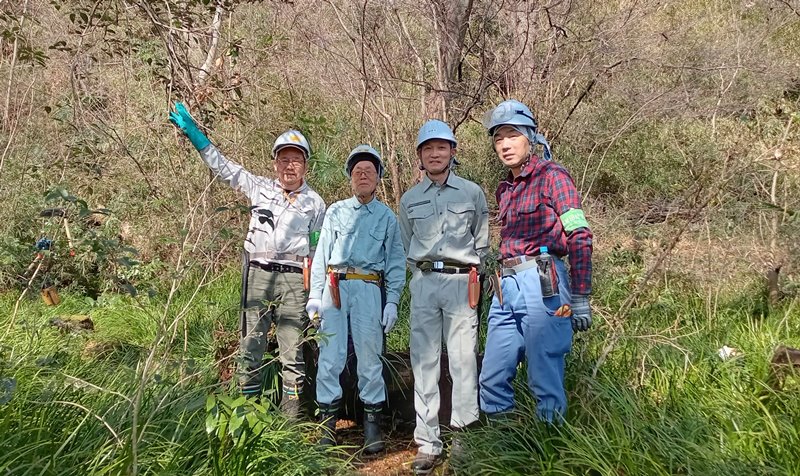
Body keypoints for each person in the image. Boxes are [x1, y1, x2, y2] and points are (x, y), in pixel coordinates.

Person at [169, 103, 325, 418]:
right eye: (283, 159)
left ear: (306, 165)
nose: (289, 166)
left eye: (296, 159)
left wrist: (316, 294)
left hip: (295, 280)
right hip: (257, 274)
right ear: (275, 162)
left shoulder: (316, 203)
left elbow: (316, 250)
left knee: (292, 353)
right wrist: (197, 137)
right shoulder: (259, 187)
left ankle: (290, 422)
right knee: (250, 347)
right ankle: (246, 417)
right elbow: (223, 167)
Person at [479, 99, 593, 424]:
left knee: (544, 372)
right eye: (498, 138)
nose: (504, 144)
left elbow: (579, 233)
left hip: (544, 278)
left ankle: (549, 449)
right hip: (506, 285)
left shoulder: (552, 176)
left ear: (530, 137)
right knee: (493, 374)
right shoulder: (506, 189)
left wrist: (582, 295)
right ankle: (501, 450)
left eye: (512, 135)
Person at [398, 120, 489, 474]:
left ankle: (463, 434)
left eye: (442, 147)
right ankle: (428, 440)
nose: (435, 154)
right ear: (420, 156)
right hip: (424, 282)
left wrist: (472, 274)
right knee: (424, 362)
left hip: (460, 281)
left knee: (464, 360)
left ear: (452, 152)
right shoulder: (409, 199)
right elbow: (407, 245)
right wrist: (422, 273)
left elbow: (481, 241)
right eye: (428, 149)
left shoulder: (472, 193)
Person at [305, 145, 405, 454]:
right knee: (330, 356)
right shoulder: (336, 211)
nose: (363, 175)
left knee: (369, 355)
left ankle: (372, 426)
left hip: (368, 288)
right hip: (334, 287)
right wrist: (314, 297)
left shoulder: (387, 217)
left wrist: (392, 302)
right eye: (357, 171)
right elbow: (321, 257)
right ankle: (327, 425)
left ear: (377, 178)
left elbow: (396, 263)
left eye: (369, 171)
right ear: (350, 178)